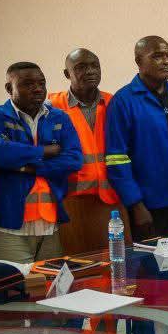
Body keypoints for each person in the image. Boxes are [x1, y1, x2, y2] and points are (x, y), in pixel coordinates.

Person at [0, 62, 83, 263]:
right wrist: (44, 151)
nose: (37, 89)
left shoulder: (59, 117)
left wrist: (28, 167)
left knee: (52, 282)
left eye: (41, 83)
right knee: (14, 283)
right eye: (28, 84)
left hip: (50, 226)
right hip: (9, 228)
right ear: (9, 88)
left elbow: (74, 159)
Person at [106, 36, 168, 238]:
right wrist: (135, 204)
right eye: (157, 56)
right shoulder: (123, 101)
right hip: (147, 206)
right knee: (150, 258)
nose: (166, 61)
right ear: (138, 61)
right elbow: (116, 159)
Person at [49, 48, 125, 253]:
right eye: (81, 67)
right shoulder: (52, 106)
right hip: (70, 201)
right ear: (67, 74)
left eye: (94, 66)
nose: (90, 71)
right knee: (78, 263)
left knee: (118, 261)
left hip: (112, 199)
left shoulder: (114, 102)